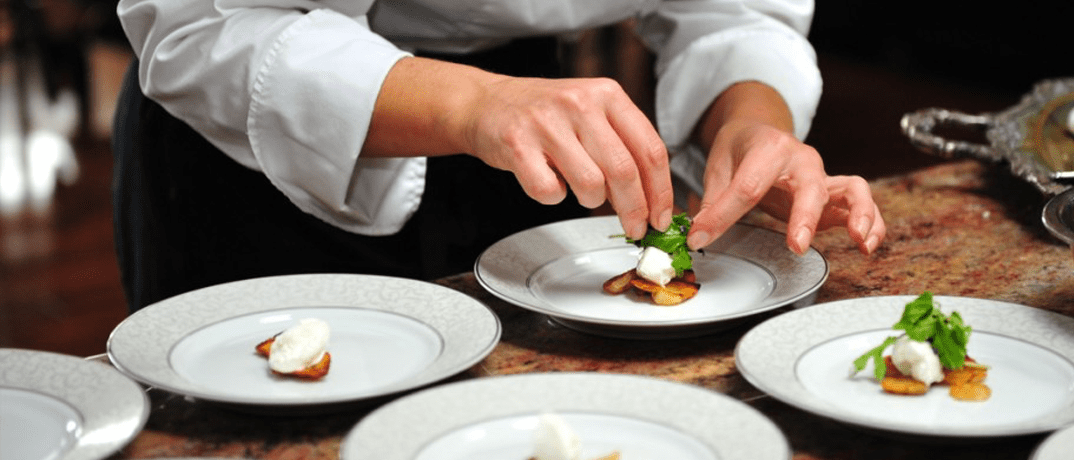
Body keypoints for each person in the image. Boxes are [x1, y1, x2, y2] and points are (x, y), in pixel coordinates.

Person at [112, 0, 886, 312]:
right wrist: (475, 104)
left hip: (535, 131)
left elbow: (732, 13)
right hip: (258, 127)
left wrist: (750, 120)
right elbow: (198, 28)